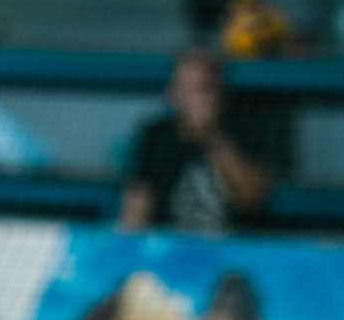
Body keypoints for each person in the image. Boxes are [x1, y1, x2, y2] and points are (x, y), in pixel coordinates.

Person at [118, 49, 283, 235]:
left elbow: (252, 200)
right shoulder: (156, 136)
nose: (197, 99)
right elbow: (136, 207)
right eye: (187, 89)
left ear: (221, 92)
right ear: (173, 94)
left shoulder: (246, 130)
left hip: (232, 250)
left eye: (204, 89)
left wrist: (212, 138)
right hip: (171, 249)